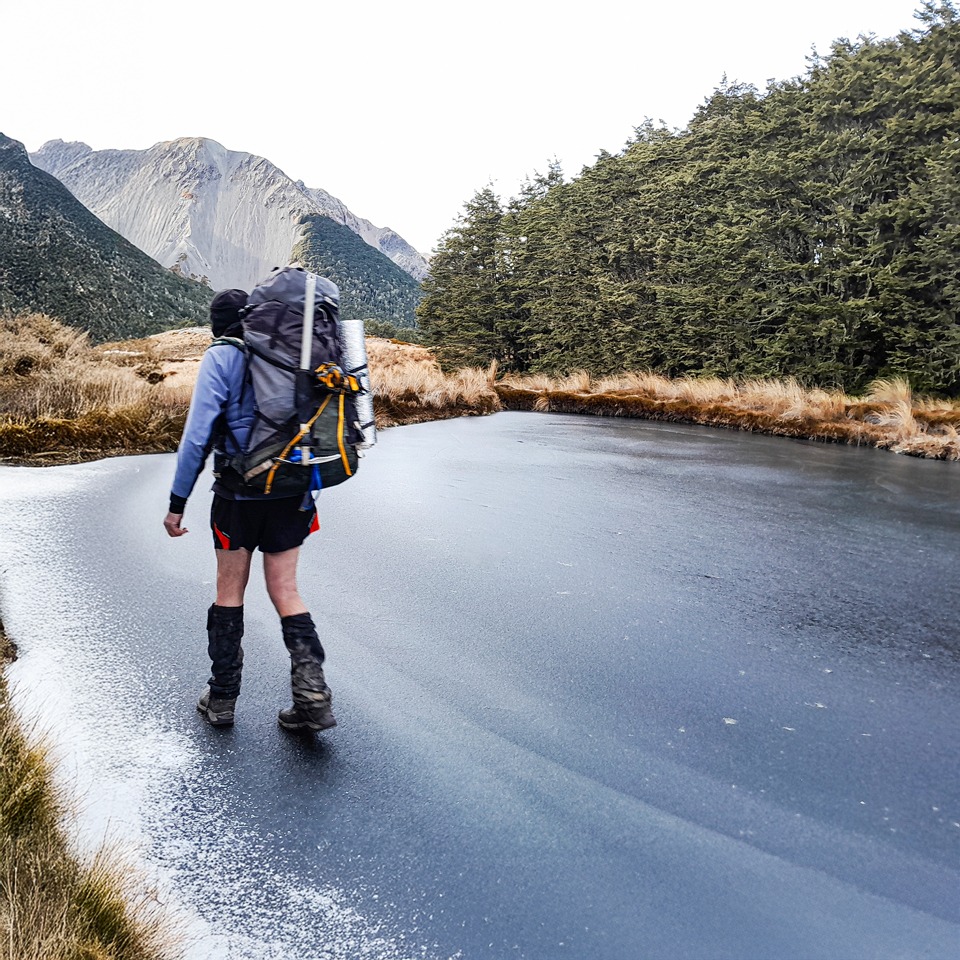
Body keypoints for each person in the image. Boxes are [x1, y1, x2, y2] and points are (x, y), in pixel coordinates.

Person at [163, 288, 335, 733]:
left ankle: (222, 699)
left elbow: (198, 436)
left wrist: (177, 503)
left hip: (238, 496)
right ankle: (311, 696)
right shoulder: (287, 351)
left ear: (216, 324)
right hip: (292, 492)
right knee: (286, 590)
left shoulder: (221, 356)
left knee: (229, 592)